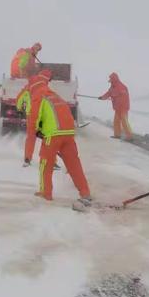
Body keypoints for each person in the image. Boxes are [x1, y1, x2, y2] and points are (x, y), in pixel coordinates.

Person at [27, 75, 91, 204]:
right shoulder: (56, 96)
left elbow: (33, 123)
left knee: (46, 164)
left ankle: (46, 193)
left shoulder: (38, 97)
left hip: (53, 135)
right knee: (74, 164)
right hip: (69, 134)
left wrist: (35, 135)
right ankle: (85, 193)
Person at [17, 70, 52, 166]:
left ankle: (27, 159)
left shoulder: (30, 85)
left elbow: (20, 97)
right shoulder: (45, 87)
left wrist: (19, 108)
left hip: (31, 115)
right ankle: (49, 161)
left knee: (31, 137)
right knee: (47, 137)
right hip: (44, 116)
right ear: (48, 78)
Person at [99, 72, 133, 141]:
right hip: (117, 107)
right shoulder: (112, 87)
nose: (110, 82)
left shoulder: (122, 87)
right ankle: (117, 135)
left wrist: (114, 96)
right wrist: (102, 97)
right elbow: (108, 93)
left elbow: (123, 97)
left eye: (111, 80)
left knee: (124, 122)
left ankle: (129, 136)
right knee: (116, 121)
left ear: (114, 80)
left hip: (123, 107)